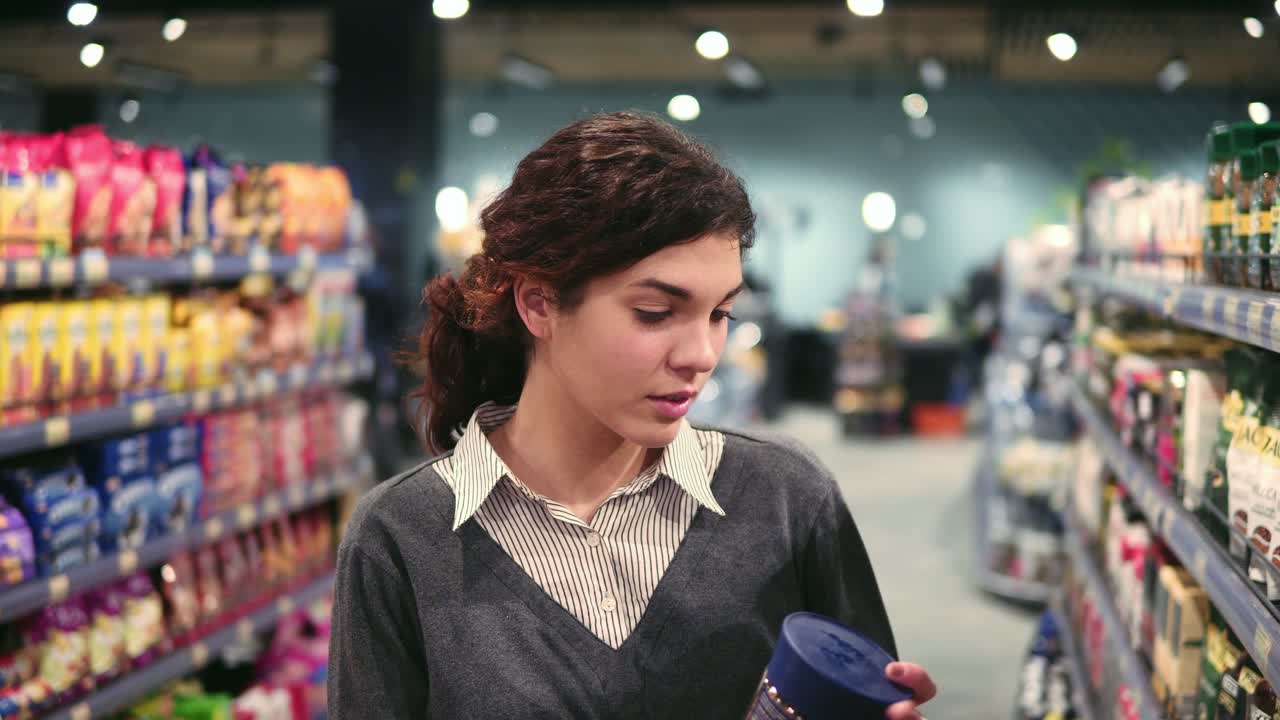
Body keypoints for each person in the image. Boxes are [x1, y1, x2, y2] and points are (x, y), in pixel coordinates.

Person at [327, 112, 937, 719]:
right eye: (653, 312)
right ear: (539, 303)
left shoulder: (785, 498)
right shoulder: (401, 537)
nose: (701, 356)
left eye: (719, 314)